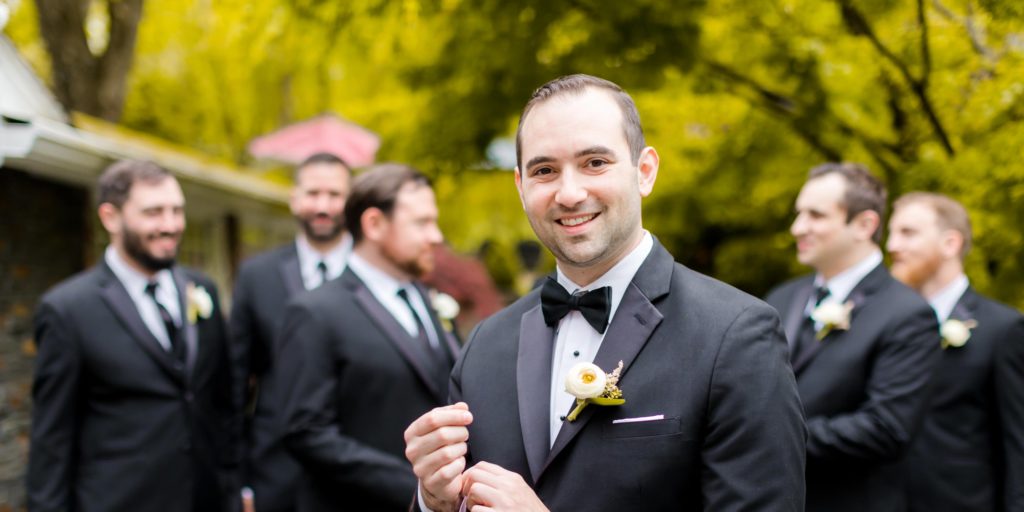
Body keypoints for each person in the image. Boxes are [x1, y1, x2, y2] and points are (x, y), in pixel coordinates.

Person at [404, 74, 806, 511]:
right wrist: (433, 500)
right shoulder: (485, 343)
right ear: (521, 188)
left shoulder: (735, 335)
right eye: (544, 171)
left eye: (595, 162)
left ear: (645, 171)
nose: (570, 193)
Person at [28, 160, 237, 511]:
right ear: (110, 217)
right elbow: (52, 440)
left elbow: (223, 402)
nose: (170, 226)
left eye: (177, 211)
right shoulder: (68, 310)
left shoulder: (202, 289)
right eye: (154, 213)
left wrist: (234, 487)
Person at [277, 164, 459, 511]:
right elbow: (306, 432)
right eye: (421, 223)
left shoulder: (425, 299)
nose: (436, 236)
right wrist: (416, 486)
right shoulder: (315, 311)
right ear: (374, 224)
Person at [765, 162, 941, 512]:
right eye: (799, 213)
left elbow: (886, 428)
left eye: (815, 215)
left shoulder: (908, 314)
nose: (797, 227)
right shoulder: (780, 299)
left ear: (864, 224)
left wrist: (773, 434)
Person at [230, 152, 353, 512]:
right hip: (277, 473)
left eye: (334, 195)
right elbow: (237, 384)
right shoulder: (257, 277)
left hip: (364, 470)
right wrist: (239, 479)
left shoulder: (378, 272)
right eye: (313, 194)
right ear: (295, 198)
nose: (323, 205)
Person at [887, 192, 1024, 511]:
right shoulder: (883, 325)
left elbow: (1019, 445)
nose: (892, 246)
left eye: (908, 233)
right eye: (891, 234)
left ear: (951, 244)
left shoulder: (1004, 328)